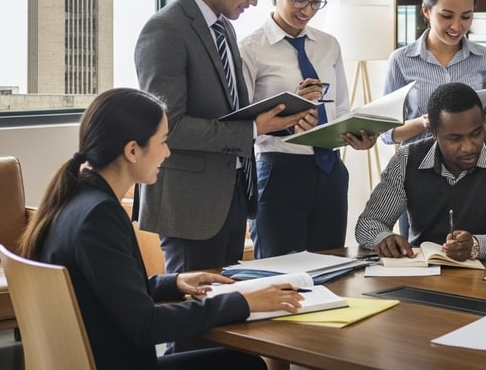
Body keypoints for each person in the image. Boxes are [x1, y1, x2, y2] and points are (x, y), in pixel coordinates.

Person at [17, 88, 303, 370]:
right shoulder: (99, 215)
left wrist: (173, 282)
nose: (167, 152)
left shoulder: (75, 200)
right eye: (163, 141)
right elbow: (145, 325)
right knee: (244, 365)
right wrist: (242, 302)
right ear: (132, 150)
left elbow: (107, 289)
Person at [134, 0, 314, 274]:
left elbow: (230, 111)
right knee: (194, 316)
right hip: (189, 203)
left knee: (228, 311)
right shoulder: (165, 29)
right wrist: (252, 128)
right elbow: (169, 127)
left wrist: (275, 122)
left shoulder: (223, 26)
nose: (254, 1)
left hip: (230, 196)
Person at [239, 0, 376, 258]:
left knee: (330, 271)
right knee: (281, 276)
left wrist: (358, 136)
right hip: (279, 174)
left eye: (316, 2)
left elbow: (340, 109)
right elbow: (240, 127)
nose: (307, 10)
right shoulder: (251, 50)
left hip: (330, 173)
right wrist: (290, 111)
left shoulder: (328, 45)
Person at [355, 82, 486, 261]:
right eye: (455, 138)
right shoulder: (406, 159)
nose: (468, 147)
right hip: (422, 275)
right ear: (433, 131)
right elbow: (368, 223)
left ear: (484, 120)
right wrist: (383, 238)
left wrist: (476, 245)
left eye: (475, 133)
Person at [380, 0, 486, 147]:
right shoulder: (400, 60)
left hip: (471, 165)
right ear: (426, 10)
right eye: (447, 16)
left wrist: (473, 127)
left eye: (466, 17)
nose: (456, 26)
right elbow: (387, 133)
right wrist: (424, 123)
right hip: (418, 167)